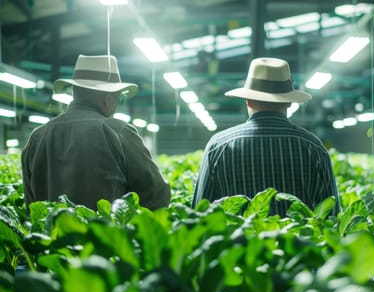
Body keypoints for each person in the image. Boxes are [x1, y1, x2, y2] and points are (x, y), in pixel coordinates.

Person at [192, 57, 340, 217]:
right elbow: (330, 217)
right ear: (289, 102)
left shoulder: (218, 146)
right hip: (298, 242)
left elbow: (201, 214)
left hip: (238, 242)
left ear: (247, 100)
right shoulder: (313, 147)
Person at [21, 54, 170, 211]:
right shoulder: (119, 133)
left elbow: (32, 207)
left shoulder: (37, 138)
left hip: (51, 236)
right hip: (106, 235)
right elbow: (157, 195)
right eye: (118, 98)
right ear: (108, 100)